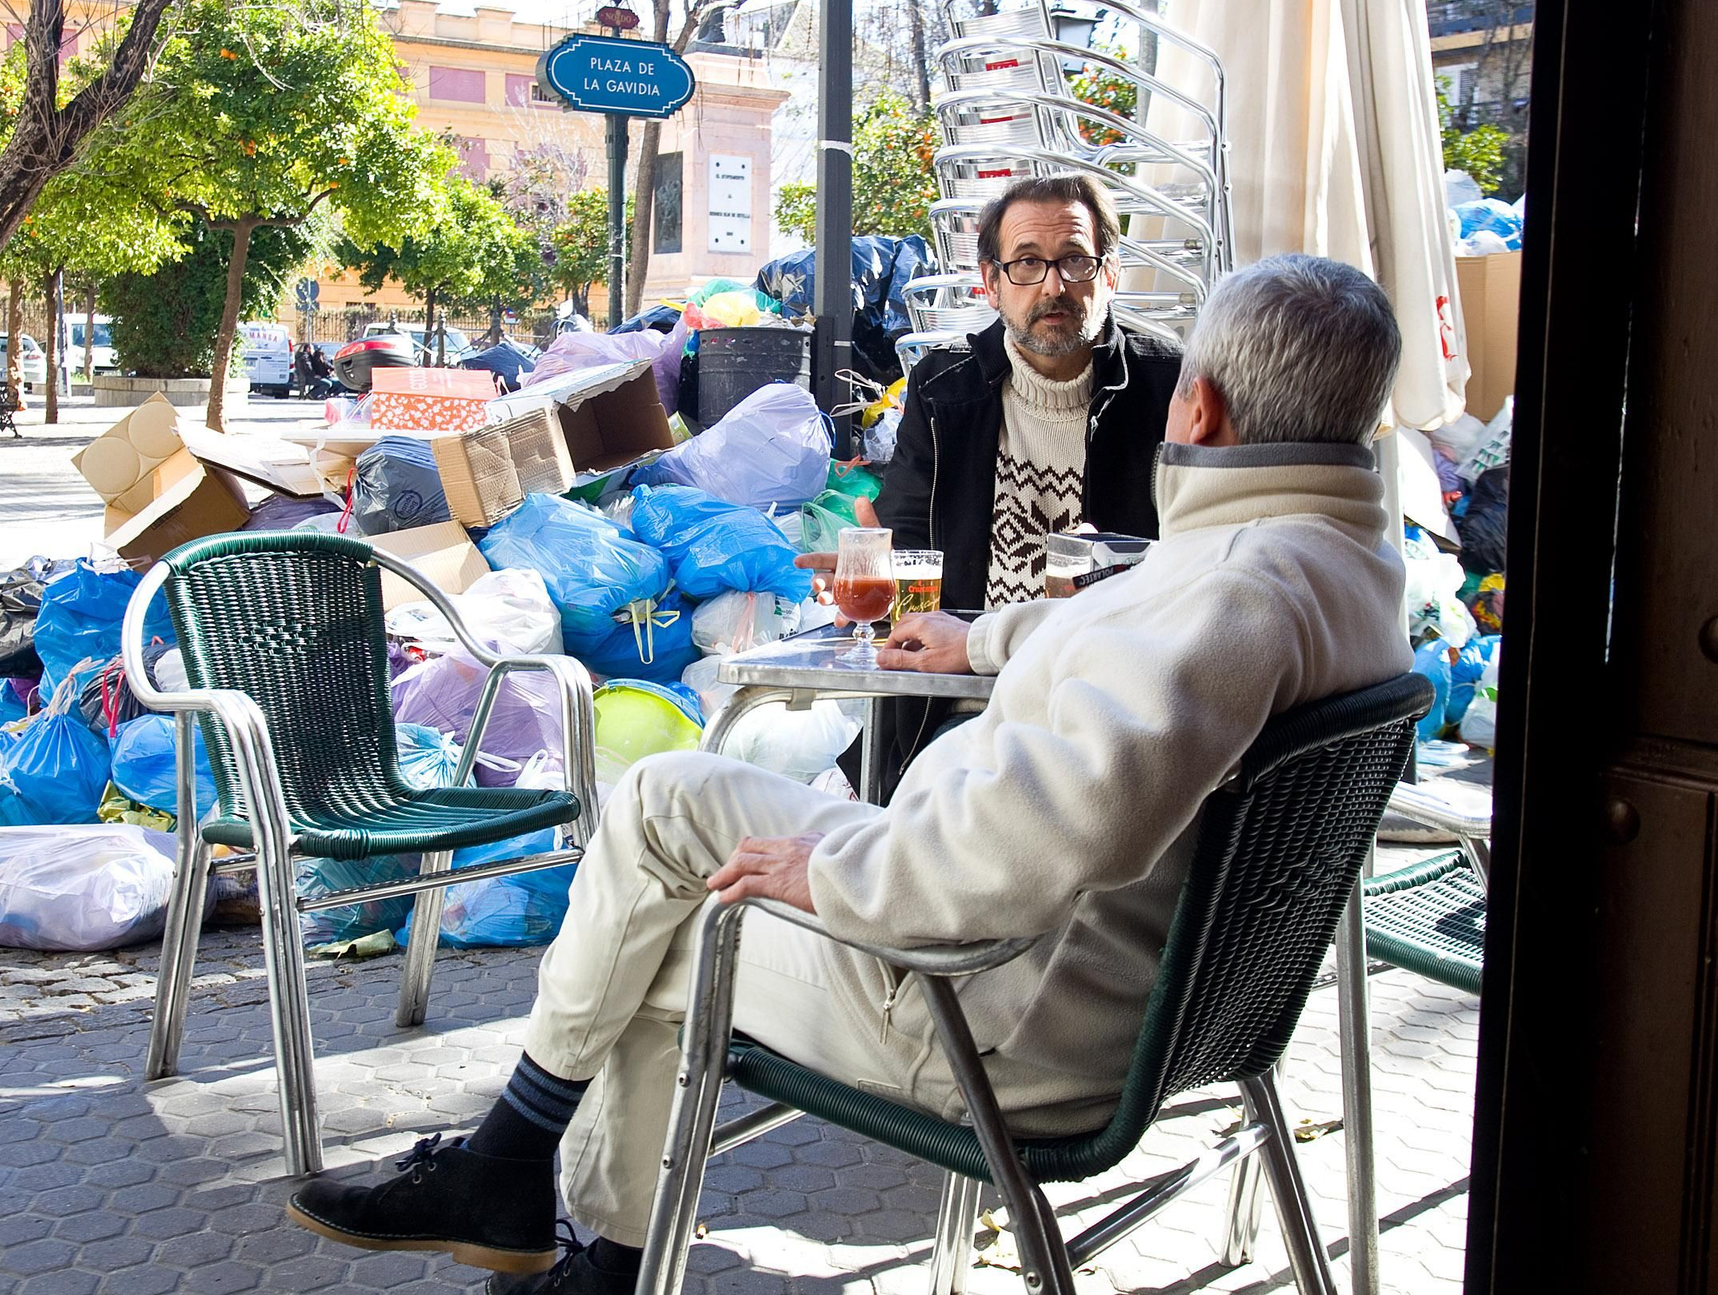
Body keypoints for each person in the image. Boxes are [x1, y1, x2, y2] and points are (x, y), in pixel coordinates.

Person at [283, 254, 1414, 1294]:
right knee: (663, 812)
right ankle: (527, 1187)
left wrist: (837, 862)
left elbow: (1016, 851)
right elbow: (1142, 648)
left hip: (998, 1021)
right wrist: (978, 640)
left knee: (657, 921)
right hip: (1155, 1000)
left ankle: (545, 1205)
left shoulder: (1226, 597)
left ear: (1200, 406)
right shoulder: (1337, 566)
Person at [809, 174, 1185, 794]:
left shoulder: (1168, 390)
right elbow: (905, 547)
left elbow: (1196, 571)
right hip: (952, 711)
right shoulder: (943, 387)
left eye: (1075, 261)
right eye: (1028, 264)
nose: (1054, 286)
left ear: (1109, 274)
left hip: (1105, 720)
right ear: (990, 284)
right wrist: (865, 573)